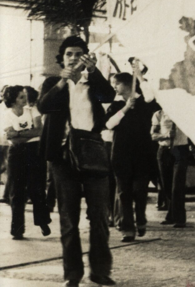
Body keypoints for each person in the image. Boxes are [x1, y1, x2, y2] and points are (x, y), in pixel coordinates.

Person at [38, 36, 117, 286]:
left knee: (99, 217)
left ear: (86, 58)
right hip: (63, 157)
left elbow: (108, 95)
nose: (73, 58)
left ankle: (100, 271)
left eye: (78, 54)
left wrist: (93, 72)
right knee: (69, 220)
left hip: (93, 152)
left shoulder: (92, 82)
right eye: (69, 54)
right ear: (62, 58)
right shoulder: (52, 83)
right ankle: (72, 274)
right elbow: (43, 106)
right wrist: (63, 81)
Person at [105, 70, 159, 242]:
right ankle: (128, 229)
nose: (114, 87)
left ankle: (141, 218)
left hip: (142, 154)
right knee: (124, 193)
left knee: (139, 191)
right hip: (121, 154)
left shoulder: (144, 102)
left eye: (117, 83)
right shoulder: (116, 105)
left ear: (128, 84)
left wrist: (140, 76)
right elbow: (109, 124)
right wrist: (126, 107)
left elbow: (151, 96)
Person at [3, 86, 50, 239]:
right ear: (13, 100)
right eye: (21, 97)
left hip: (34, 151)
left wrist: (17, 133)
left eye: (25, 96)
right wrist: (28, 134)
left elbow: (39, 130)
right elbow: (13, 139)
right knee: (16, 191)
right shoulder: (6, 114)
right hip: (16, 153)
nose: (25, 99)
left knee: (37, 188)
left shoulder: (32, 110)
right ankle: (17, 229)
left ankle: (42, 221)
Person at [151, 110, 191, 228]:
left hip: (181, 150)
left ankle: (180, 218)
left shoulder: (185, 113)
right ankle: (171, 214)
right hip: (164, 151)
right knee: (166, 186)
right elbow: (153, 135)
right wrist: (166, 135)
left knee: (177, 185)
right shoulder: (158, 114)